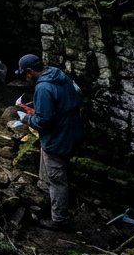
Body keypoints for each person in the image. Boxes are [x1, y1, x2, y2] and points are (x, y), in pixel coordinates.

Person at [15, 53, 83, 231]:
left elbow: (44, 121)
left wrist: (26, 119)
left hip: (57, 137)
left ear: (30, 71)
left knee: (57, 179)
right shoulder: (57, 74)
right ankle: (47, 199)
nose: (26, 79)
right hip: (71, 129)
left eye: (25, 75)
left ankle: (60, 219)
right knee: (52, 174)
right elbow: (74, 96)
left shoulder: (43, 88)